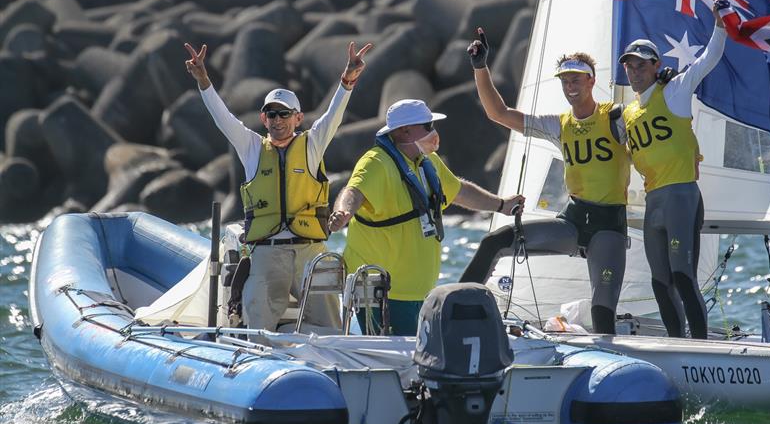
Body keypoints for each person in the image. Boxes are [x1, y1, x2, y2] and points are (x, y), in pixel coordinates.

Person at [184, 40, 372, 335]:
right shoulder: (251, 147)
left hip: (310, 252)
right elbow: (223, 118)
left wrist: (348, 78)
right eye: (271, 114)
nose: (278, 120)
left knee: (330, 327)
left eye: (285, 114)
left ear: (298, 118)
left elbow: (334, 114)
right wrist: (204, 81)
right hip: (266, 253)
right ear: (263, 119)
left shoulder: (312, 143)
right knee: (259, 328)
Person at [459, 28, 630, 335]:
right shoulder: (558, 125)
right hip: (572, 222)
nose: (570, 86)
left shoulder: (616, 118)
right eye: (565, 81)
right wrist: (480, 67)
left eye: (576, 79)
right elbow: (499, 113)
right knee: (493, 242)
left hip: (609, 227)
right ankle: (455, 312)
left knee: (602, 309)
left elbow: (655, 134)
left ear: (592, 80)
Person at [328, 98, 525, 336]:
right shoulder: (376, 162)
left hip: (417, 291)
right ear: (404, 131)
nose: (434, 132)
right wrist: (343, 212)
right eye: (428, 126)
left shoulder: (426, 161)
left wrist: (502, 205)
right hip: (383, 292)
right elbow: (353, 191)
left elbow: (458, 190)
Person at [619, 0, 728, 340]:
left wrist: (721, 25)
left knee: (683, 275)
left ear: (656, 66)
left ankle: (700, 345)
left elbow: (707, 60)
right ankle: (677, 345)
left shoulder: (675, 90)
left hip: (682, 195)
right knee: (660, 281)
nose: (634, 72)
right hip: (654, 204)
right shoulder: (626, 114)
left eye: (641, 66)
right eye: (630, 66)